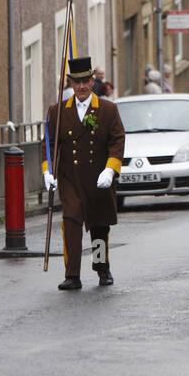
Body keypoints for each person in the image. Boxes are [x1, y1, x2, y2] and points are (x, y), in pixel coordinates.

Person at [42, 56, 125, 291]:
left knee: (99, 226)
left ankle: (101, 268)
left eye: (85, 81)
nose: (81, 87)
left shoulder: (108, 109)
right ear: (70, 83)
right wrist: (48, 172)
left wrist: (111, 169)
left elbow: (117, 141)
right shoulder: (57, 111)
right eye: (76, 82)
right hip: (71, 178)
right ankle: (72, 273)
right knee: (71, 223)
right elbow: (49, 144)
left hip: (98, 178)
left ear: (92, 82)